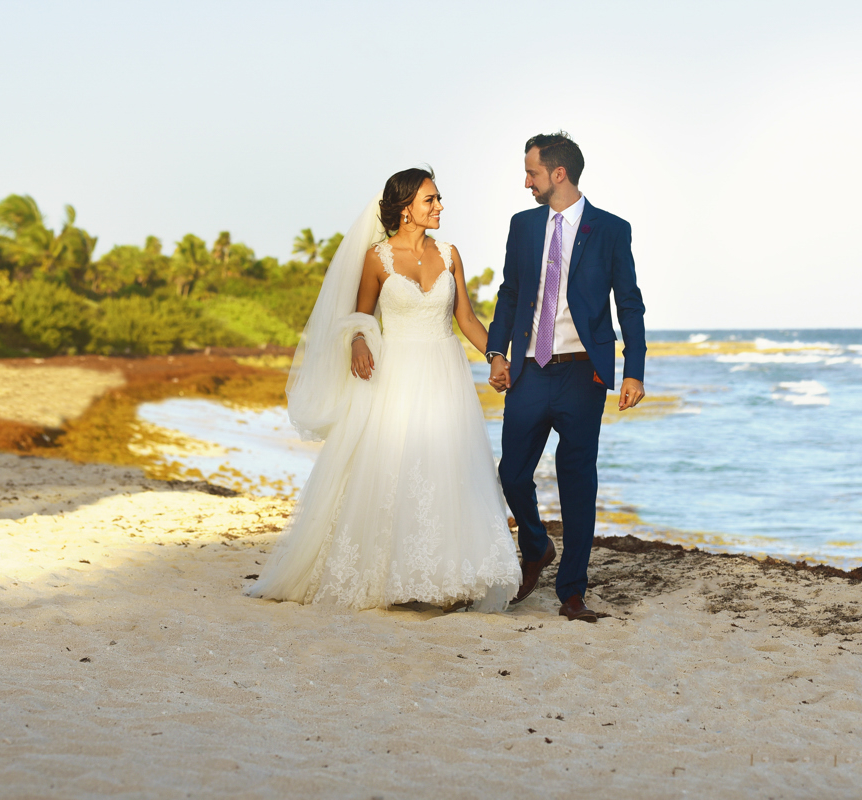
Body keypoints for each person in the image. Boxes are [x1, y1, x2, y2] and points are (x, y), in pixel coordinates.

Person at [247, 168, 520, 612]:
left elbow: (466, 318)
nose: (440, 207)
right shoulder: (377, 257)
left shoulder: (450, 254)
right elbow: (360, 316)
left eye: (438, 199)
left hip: (444, 374)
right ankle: (395, 577)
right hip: (396, 376)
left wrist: (496, 356)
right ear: (406, 207)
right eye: (431, 200)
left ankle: (447, 576)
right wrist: (358, 342)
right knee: (398, 469)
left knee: (448, 469)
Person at [486, 132, 647, 623]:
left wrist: (634, 371)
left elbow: (629, 303)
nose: (526, 181)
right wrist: (497, 352)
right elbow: (510, 292)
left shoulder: (612, 230)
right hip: (530, 372)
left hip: (583, 375)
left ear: (558, 173)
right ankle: (536, 548)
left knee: (578, 483)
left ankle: (571, 593)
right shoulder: (523, 225)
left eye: (532, 172)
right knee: (511, 474)